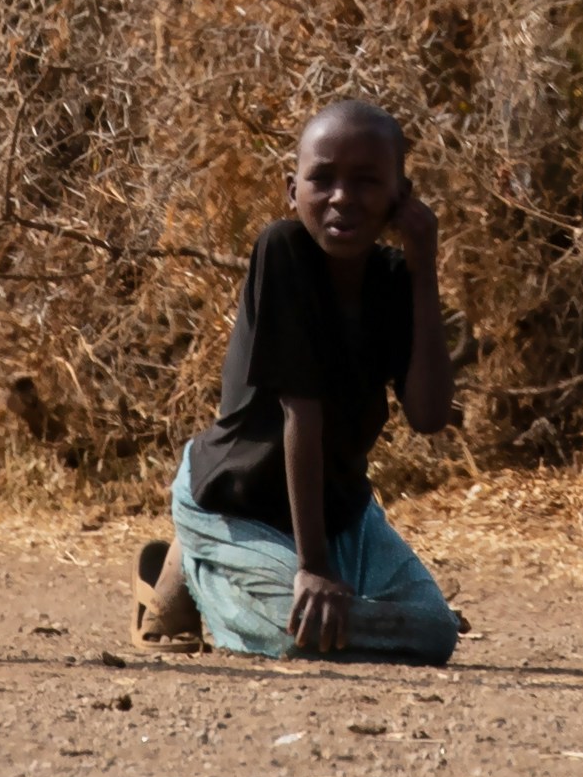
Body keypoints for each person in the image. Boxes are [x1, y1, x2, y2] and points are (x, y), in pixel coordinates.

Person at [136, 101, 464, 661]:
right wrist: (312, 568)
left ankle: (307, 594)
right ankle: (189, 567)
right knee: (299, 636)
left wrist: (423, 265)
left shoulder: (391, 279)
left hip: (338, 512)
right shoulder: (283, 252)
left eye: (367, 181)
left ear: (400, 195)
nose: (342, 196)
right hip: (235, 504)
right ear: (292, 190)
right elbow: (300, 414)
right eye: (322, 179)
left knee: (435, 633)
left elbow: (429, 416)